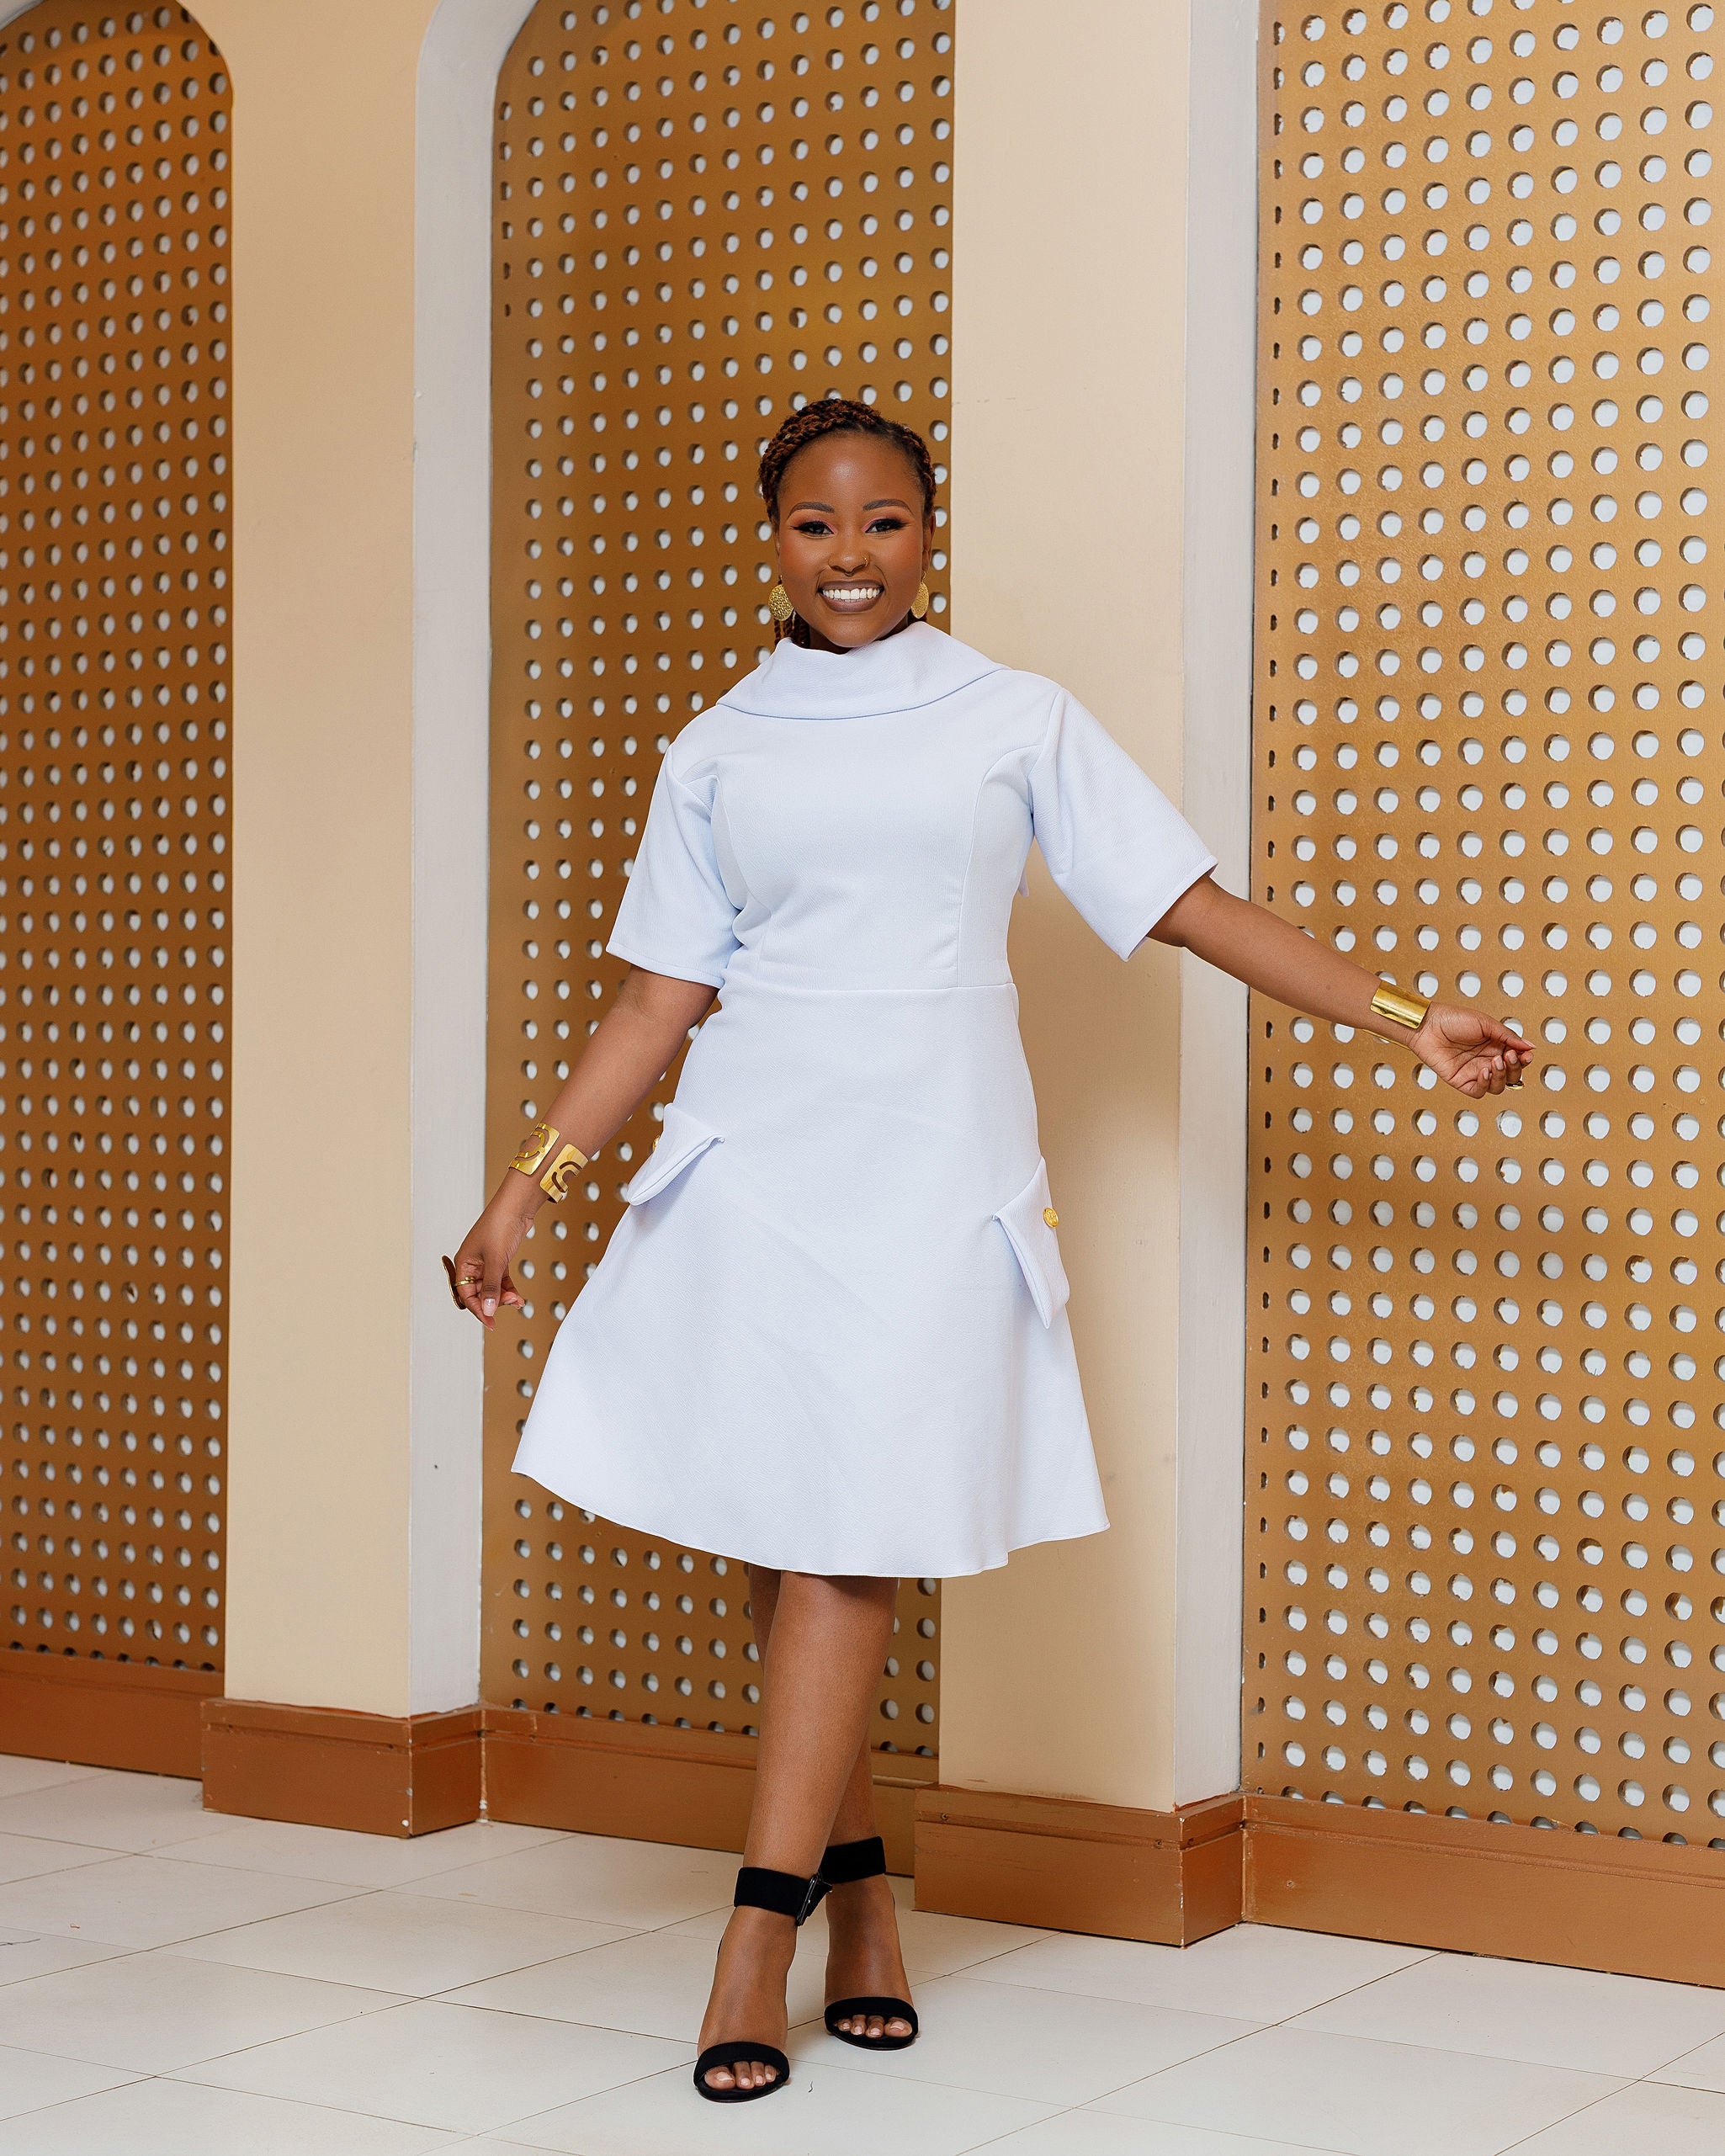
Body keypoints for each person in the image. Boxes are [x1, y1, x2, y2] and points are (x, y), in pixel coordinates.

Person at [448, 397, 1533, 2102]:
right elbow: (661, 994)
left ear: (926, 534)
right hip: (752, 1164)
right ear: (773, 540)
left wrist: (1404, 1018)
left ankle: (755, 1933)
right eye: (815, 524)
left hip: (928, 1167)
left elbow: (1185, 904)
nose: (850, 557)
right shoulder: (716, 743)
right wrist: (527, 1183)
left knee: (848, 1539)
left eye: (883, 522)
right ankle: (862, 1904)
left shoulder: (1011, 717)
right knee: (789, 1532)